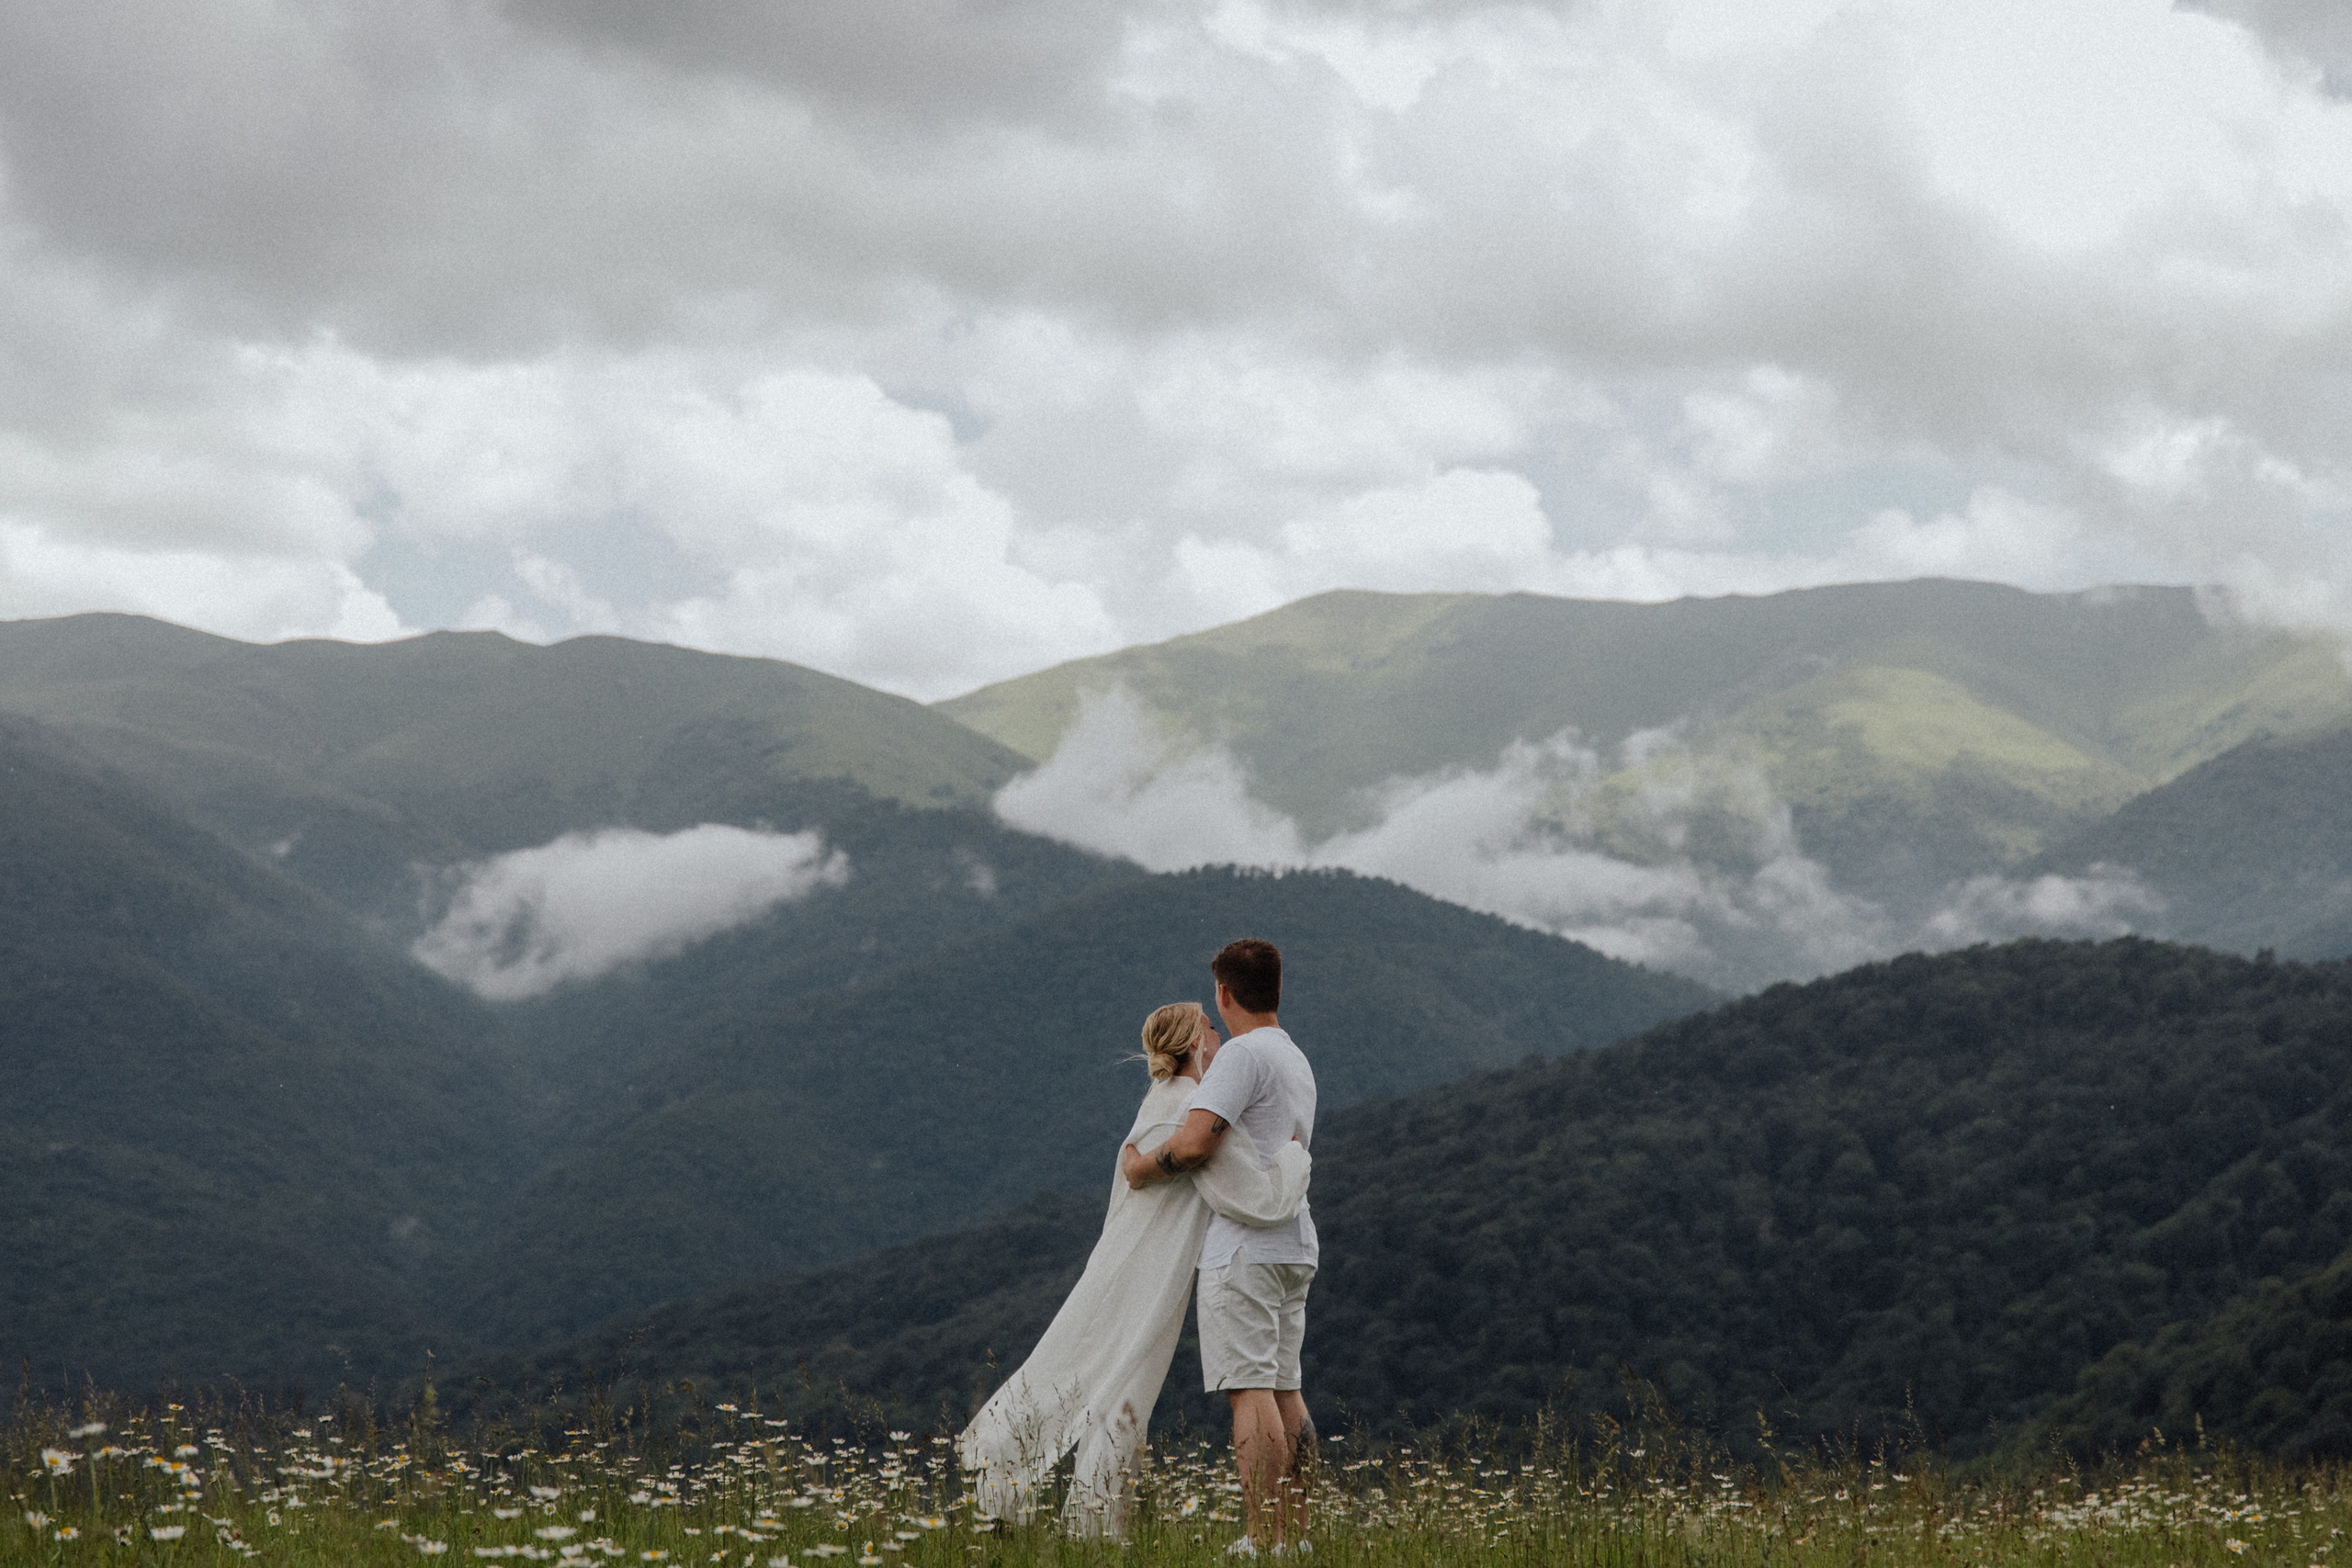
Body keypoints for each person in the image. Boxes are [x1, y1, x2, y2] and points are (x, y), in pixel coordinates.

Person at [958, 999, 1309, 1540]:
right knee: (1125, 1389)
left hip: (1121, 1267)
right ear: (1195, 1043)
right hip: (1153, 1281)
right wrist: (1295, 1160)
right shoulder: (1195, 1107)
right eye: (1211, 1030)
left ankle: (1016, 1490)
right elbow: (1255, 1199)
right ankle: (1092, 1527)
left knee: (1086, 1367)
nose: (1219, 1040)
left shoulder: (1156, 1104)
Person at [1121, 937, 1317, 1557]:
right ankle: (1298, 1536)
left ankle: (1262, 1541)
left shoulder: (1239, 1057)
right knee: (1286, 1387)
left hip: (1244, 1248)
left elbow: (1199, 1140)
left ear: (1225, 994)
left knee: (1250, 1387)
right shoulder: (1296, 1058)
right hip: (1295, 1243)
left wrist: (1141, 1166)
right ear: (1277, 990)